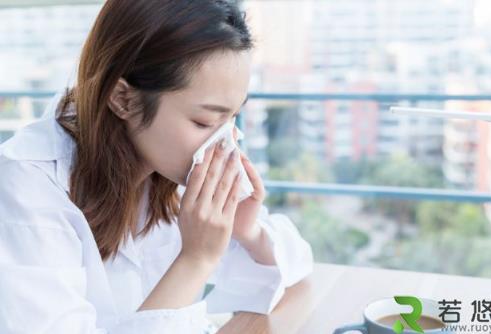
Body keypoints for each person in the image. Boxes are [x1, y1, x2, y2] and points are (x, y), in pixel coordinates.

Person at [0, 1, 313, 333]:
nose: (225, 143)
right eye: (204, 121)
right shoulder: (25, 186)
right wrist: (196, 260)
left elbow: (295, 267)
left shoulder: (165, 161)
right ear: (123, 99)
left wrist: (247, 231)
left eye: (232, 117)